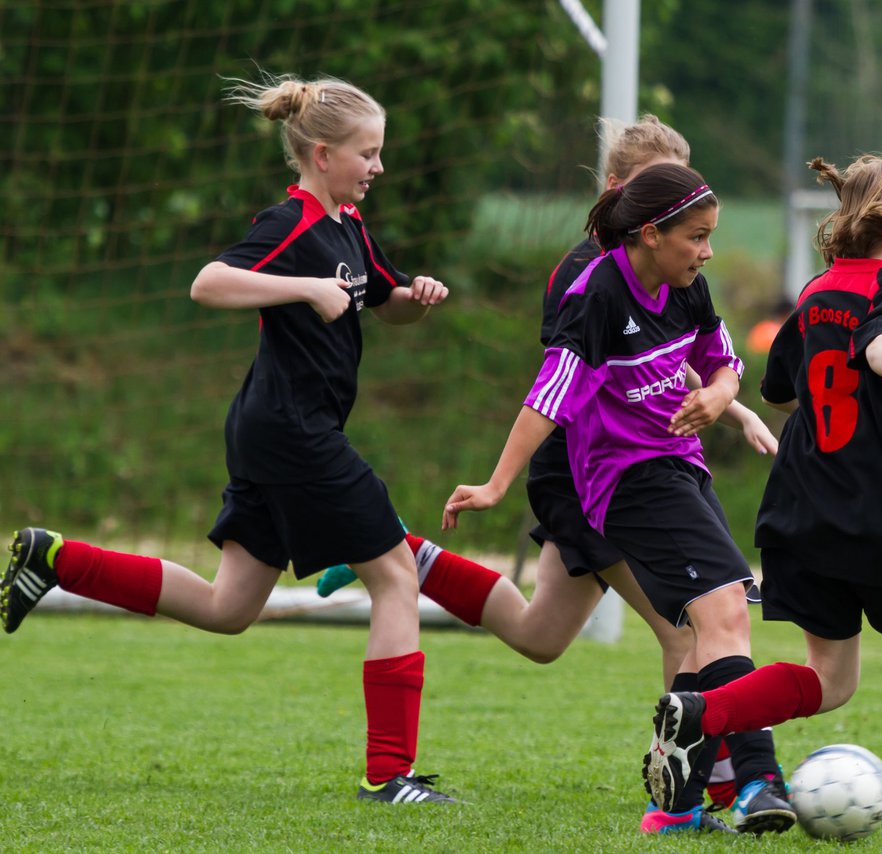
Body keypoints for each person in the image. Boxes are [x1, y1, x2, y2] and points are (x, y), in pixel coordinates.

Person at [0, 74, 455, 806]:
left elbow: (382, 302)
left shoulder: (349, 227)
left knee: (228, 608)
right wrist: (303, 289)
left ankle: (57, 558)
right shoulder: (292, 223)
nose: (378, 167)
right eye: (367, 153)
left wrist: (416, 298)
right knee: (396, 576)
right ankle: (390, 775)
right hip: (292, 433)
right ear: (319, 152)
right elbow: (208, 283)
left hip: (272, 431)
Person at [314, 116, 778, 832]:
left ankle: (405, 554)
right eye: (662, 190)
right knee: (688, 629)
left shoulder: (675, 269)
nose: (684, 212)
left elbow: (671, 350)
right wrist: (502, 482)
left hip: (629, 465)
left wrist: (727, 400)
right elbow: (563, 386)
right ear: (630, 201)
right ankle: (700, 792)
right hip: (592, 474)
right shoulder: (583, 280)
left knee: (540, 636)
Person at [642, 140, 882, 854]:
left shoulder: (817, 293)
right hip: (879, 518)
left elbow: (781, 389)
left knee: (831, 679)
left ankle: (702, 711)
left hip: (799, 515)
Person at [442, 162, 795, 836]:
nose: (708, 250)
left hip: (680, 470)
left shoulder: (688, 286)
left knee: (701, 630)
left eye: (711, 236)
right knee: (724, 617)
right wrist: (494, 483)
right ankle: (755, 782)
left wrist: (722, 396)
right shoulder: (597, 296)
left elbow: (723, 359)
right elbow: (548, 397)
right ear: (652, 232)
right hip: (627, 482)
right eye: (697, 236)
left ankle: (678, 803)